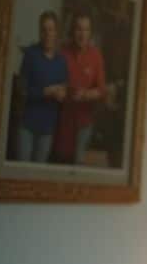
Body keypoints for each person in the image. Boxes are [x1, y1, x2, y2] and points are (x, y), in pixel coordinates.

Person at [13, 10, 69, 163]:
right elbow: (21, 90)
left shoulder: (61, 62)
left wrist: (62, 94)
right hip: (27, 126)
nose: (47, 33)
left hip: (48, 129)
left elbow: (64, 92)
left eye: (51, 29)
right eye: (44, 29)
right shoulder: (30, 55)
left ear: (56, 32)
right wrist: (45, 92)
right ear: (40, 31)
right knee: (22, 173)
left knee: (37, 174)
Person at [54, 11, 107, 165]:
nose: (82, 34)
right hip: (61, 121)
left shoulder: (96, 55)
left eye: (86, 29)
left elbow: (102, 90)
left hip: (84, 122)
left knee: (77, 166)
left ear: (90, 32)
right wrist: (59, 90)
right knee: (59, 164)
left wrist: (85, 95)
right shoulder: (62, 52)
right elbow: (54, 81)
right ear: (72, 31)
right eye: (78, 29)